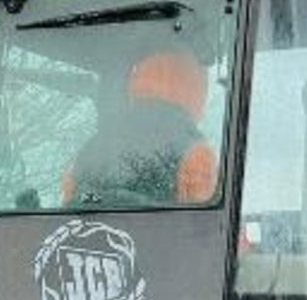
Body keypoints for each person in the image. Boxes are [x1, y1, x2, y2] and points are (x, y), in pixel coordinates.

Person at [64, 45, 219, 207]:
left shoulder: (93, 147)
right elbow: (207, 223)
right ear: (195, 89)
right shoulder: (193, 149)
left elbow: (70, 203)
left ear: (137, 82)